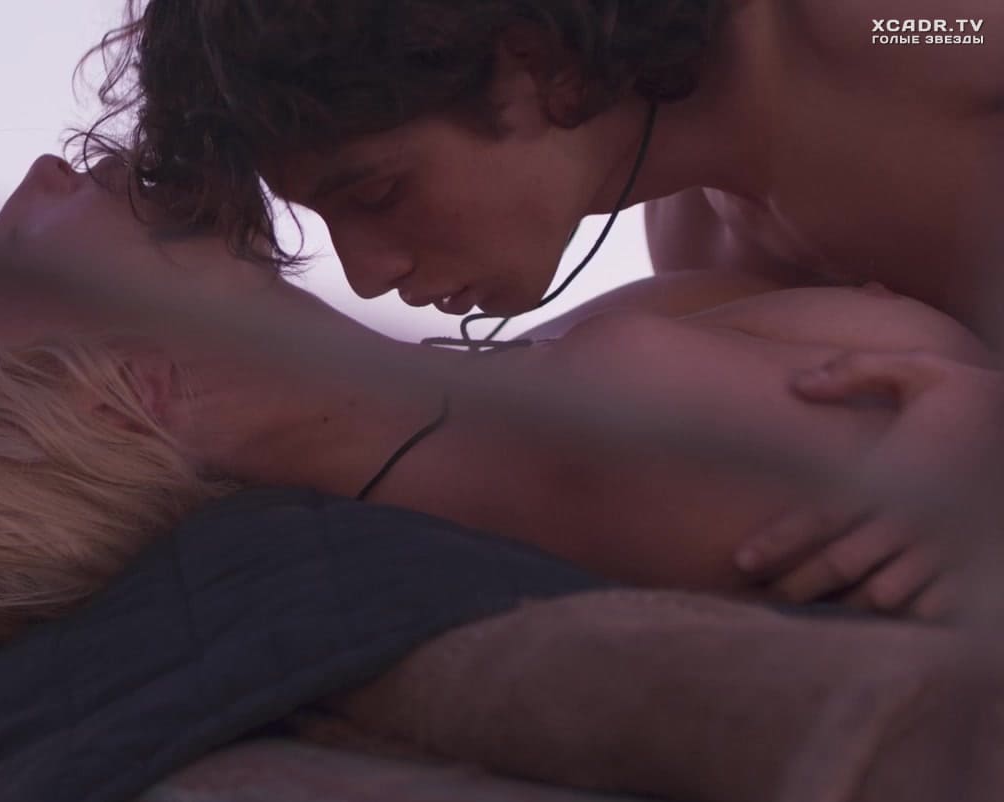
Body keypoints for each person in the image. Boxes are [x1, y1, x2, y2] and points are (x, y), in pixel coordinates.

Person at [0, 154, 1004, 799]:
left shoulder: (538, 382)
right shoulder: (607, 418)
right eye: (17, 243)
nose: (43, 176)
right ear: (132, 394)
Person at [78, 0, 1004, 626]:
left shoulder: (893, 25)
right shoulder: (704, 247)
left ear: (529, 61)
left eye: (380, 193)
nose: (366, 273)